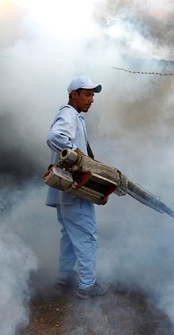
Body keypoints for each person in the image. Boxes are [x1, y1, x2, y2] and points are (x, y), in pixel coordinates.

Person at [46, 76, 109, 299]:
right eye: (87, 94)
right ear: (74, 94)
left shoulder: (75, 116)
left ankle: (65, 278)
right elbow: (55, 137)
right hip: (73, 189)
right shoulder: (69, 113)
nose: (91, 100)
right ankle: (87, 286)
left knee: (71, 236)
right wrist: (76, 154)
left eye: (92, 95)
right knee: (86, 236)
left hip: (67, 189)